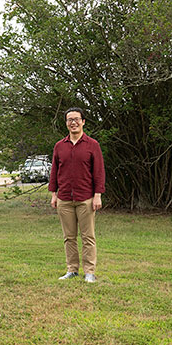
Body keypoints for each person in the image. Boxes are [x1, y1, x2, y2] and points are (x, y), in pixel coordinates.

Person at [48, 107, 106, 283]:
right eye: (69, 120)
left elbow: (99, 172)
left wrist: (98, 195)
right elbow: (54, 171)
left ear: (83, 122)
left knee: (88, 237)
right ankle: (72, 270)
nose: (73, 122)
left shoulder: (92, 145)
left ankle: (89, 272)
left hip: (86, 199)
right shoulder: (59, 146)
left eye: (76, 119)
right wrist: (54, 194)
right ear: (66, 123)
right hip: (64, 198)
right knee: (69, 237)